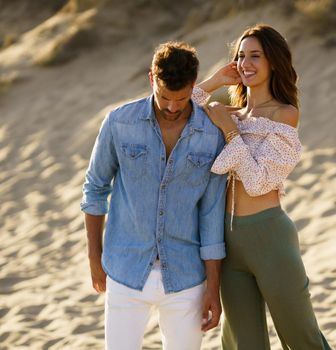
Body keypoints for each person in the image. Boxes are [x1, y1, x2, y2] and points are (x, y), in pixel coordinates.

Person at [192, 24, 332, 349]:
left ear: (273, 62)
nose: (246, 63)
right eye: (241, 56)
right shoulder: (229, 111)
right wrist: (215, 82)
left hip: (269, 237)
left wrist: (229, 132)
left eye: (256, 56)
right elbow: (172, 111)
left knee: (301, 338)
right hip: (227, 240)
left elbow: (257, 182)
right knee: (244, 343)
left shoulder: (285, 115)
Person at [80, 41, 227, 350]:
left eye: (183, 98)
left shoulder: (212, 136)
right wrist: (95, 257)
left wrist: (213, 286)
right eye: (164, 97)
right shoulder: (119, 123)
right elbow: (95, 188)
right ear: (151, 79)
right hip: (124, 269)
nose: (172, 107)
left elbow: (211, 213)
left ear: (193, 85)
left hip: (187, 276)